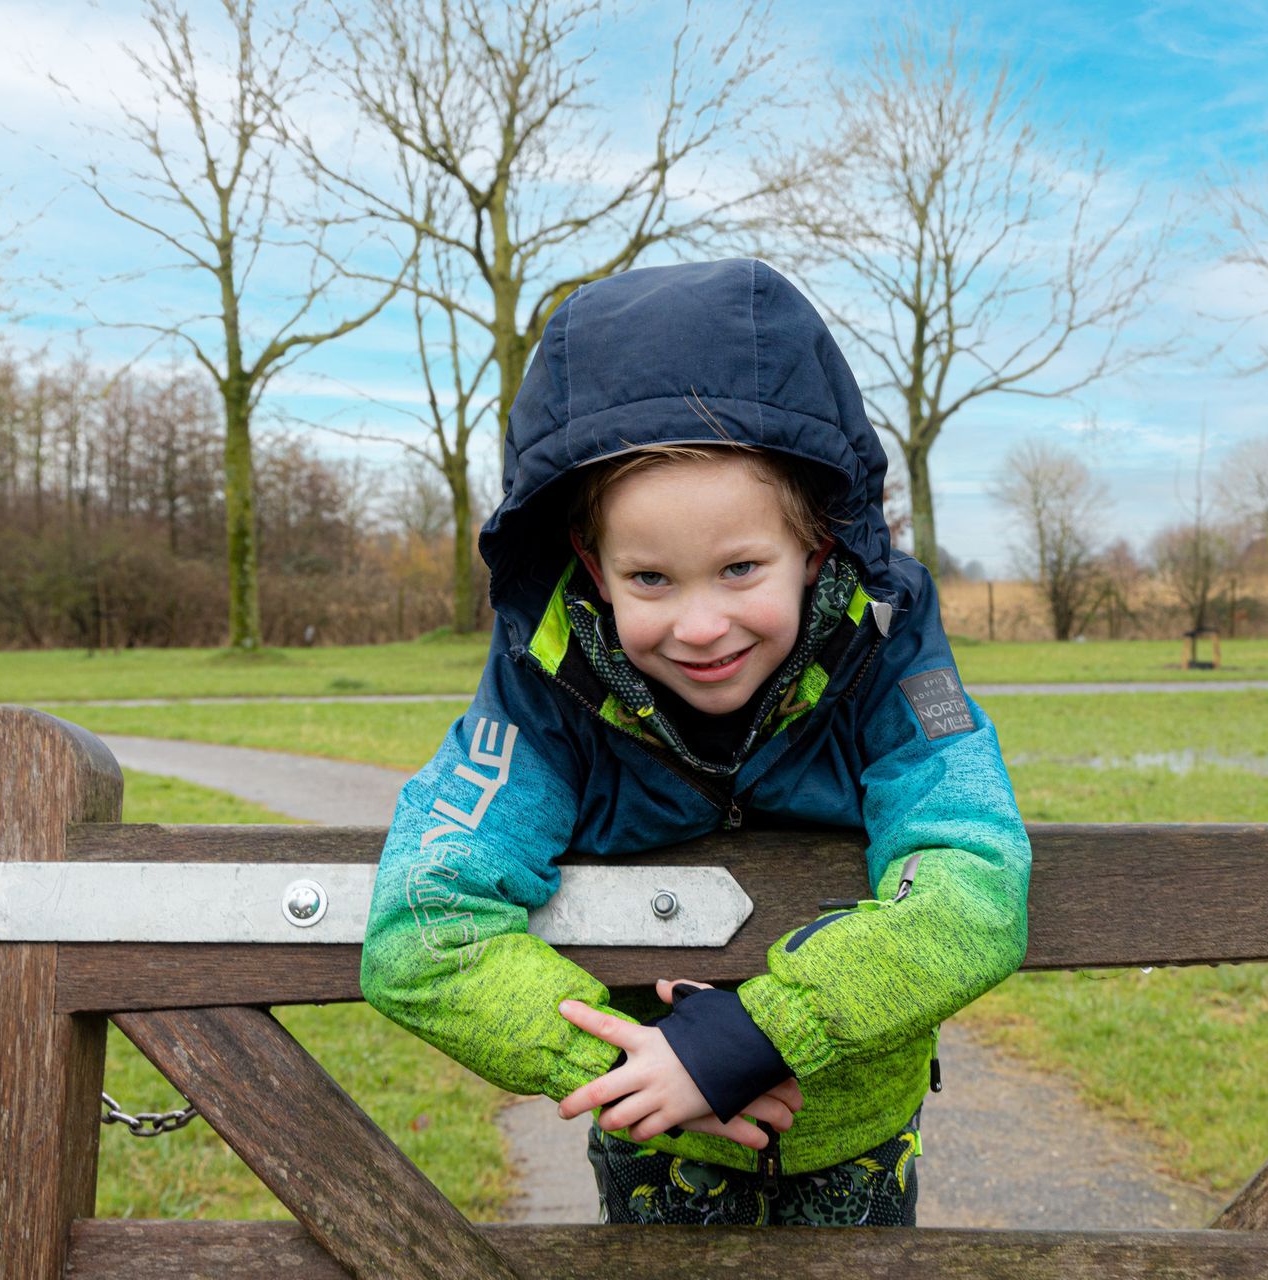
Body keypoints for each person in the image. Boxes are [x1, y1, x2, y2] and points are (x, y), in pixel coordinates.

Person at [361, 258, 1031, 1226]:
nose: (703, 624)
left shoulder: (885, 643)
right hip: (654, 1173)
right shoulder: (551, 683)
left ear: (818, 538)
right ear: (593, 565)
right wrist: (644, 1077)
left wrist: (757, 1033)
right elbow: (419, 930)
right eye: (652, 580)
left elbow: (973, 879)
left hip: (862, 1155)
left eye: (741, 566)